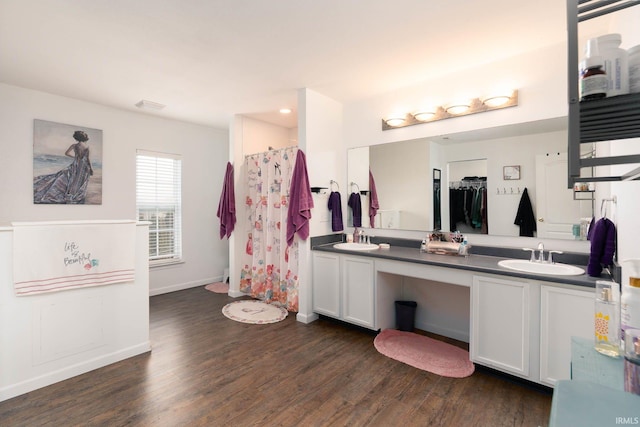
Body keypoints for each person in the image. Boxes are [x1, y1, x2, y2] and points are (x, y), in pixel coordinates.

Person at [34, 130, 94, 204]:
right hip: (83, 166)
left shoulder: (74, 145)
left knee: (72, 179)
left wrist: (75, 157)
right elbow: (88, 159)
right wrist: (91, 169)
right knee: (80, 180)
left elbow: (66, 153)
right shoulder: (87, 147)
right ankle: (76, 194)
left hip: (76, 164)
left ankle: (70, 193)